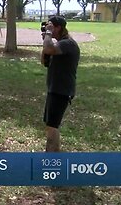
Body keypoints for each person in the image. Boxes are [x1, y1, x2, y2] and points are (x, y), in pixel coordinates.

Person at [41, 16, 80, 152]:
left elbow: (48, 49)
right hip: (54, 89)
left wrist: (48, 36)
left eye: (51, 26)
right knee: (50, 125)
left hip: (61, 90)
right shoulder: (58, 44)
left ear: (58, 27)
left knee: (52, 126)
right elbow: (45, 62)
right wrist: (46, 39)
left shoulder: (67, 43)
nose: (48, 28)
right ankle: (51, 155)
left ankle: (52, 160)